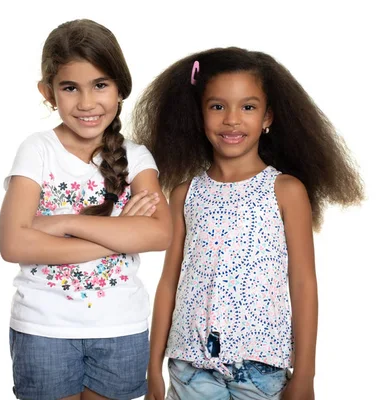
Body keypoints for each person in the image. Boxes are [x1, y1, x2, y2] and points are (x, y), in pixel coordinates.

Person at [132, 47, 364, 400]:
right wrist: (153, 369)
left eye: (248, 107)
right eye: (217, 106)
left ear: (268, 117)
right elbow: (169, 283)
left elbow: (303, 282)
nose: (232, 120)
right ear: (200, 114)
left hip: (262, 368)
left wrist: (305, 375)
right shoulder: (185, 194)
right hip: (190, 366)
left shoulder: (286, 191)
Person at [0, 19, 172, 400]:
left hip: (121, 327)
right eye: (70, 88)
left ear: (121, 88)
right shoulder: (37, 150)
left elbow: (160, 234)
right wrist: (118, 234)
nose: (87, 103)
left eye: (100, 85)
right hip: (43, 329)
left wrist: (60, 224)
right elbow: (13, 244)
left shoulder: (137, 157)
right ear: (48, 92)